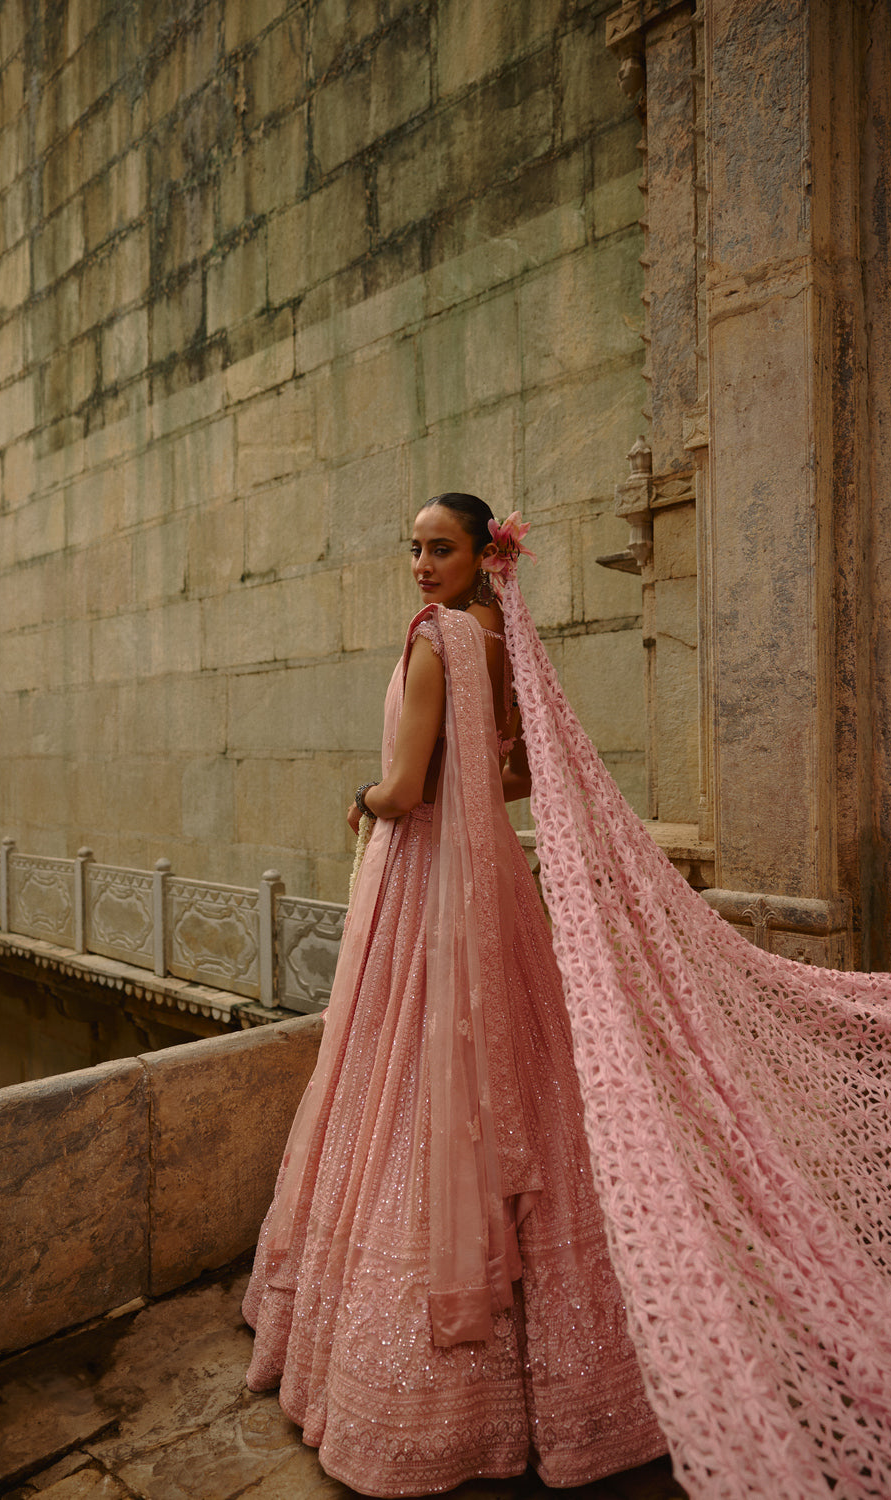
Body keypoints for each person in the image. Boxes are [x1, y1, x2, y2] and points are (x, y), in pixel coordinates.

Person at [242, 494, 667, 1495]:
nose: (422, 565)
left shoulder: (437, 640)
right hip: (491, 887)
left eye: (441, 549)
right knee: (517, 1068)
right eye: (416, 550)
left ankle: (424, 1389)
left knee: (404, 1077)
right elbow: (512, 778)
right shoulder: (498, 638)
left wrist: (362, 798)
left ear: (483, 554)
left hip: (424, 880)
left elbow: (407, 788)